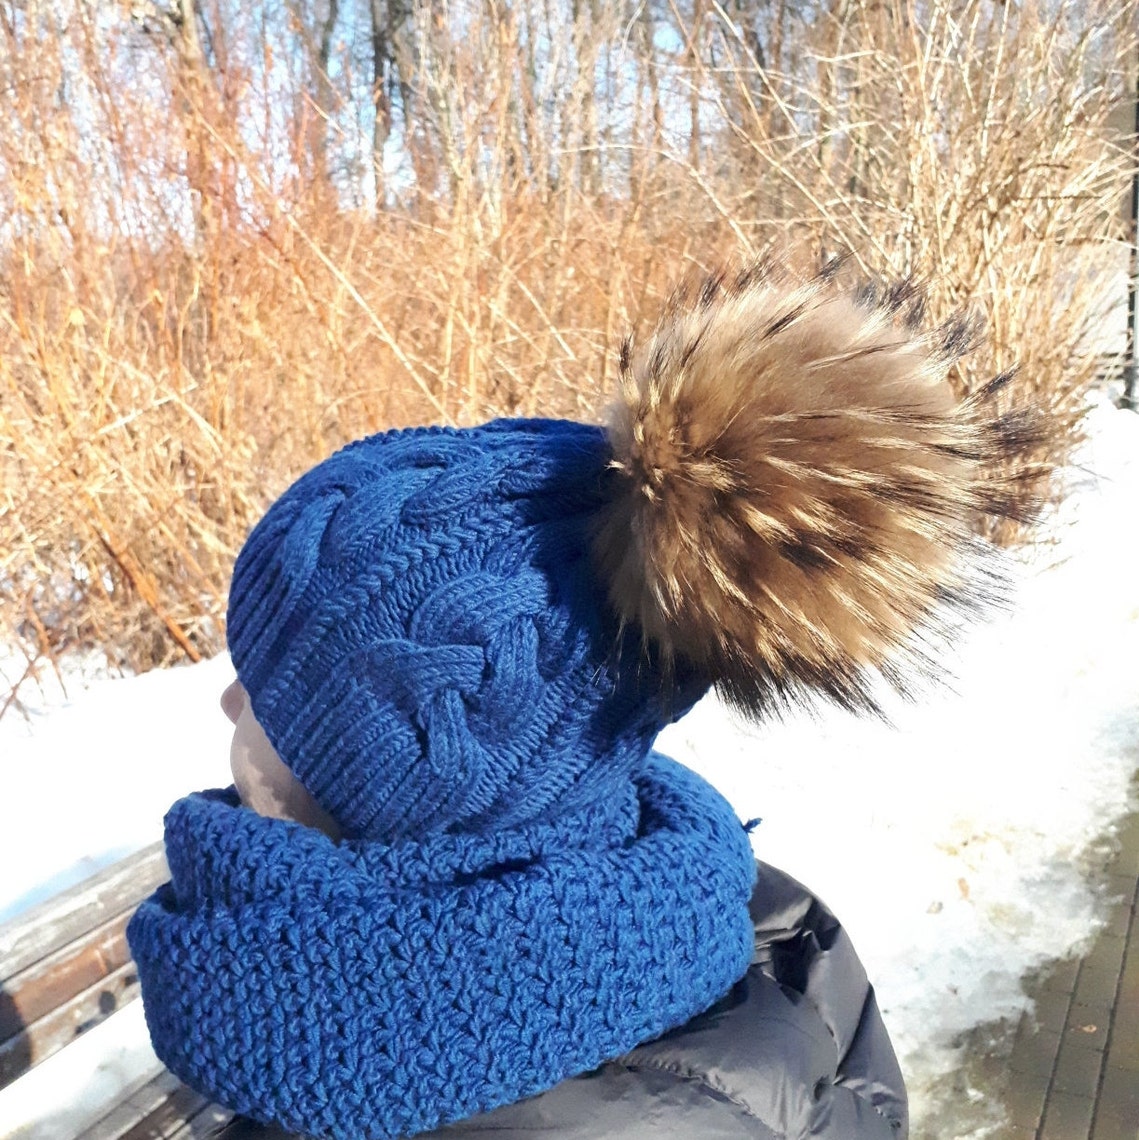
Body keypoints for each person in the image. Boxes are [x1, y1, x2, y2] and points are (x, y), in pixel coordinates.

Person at [128, 264, 1038, 1140]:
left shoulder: (361, 1046)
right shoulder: (736, 936)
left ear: (411, 793)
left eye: (273, 693)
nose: (229, 698)